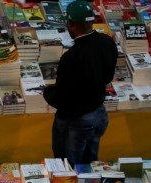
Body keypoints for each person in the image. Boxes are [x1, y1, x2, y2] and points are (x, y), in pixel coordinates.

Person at [42, 0, 117, 166]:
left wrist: (47, 92)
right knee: (90, 164)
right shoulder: (107, 42)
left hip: (75, 121)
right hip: (98, 113)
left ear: (71, 24)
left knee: (69, 168)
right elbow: (107, 77)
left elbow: (62, 99)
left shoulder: (72, 57)